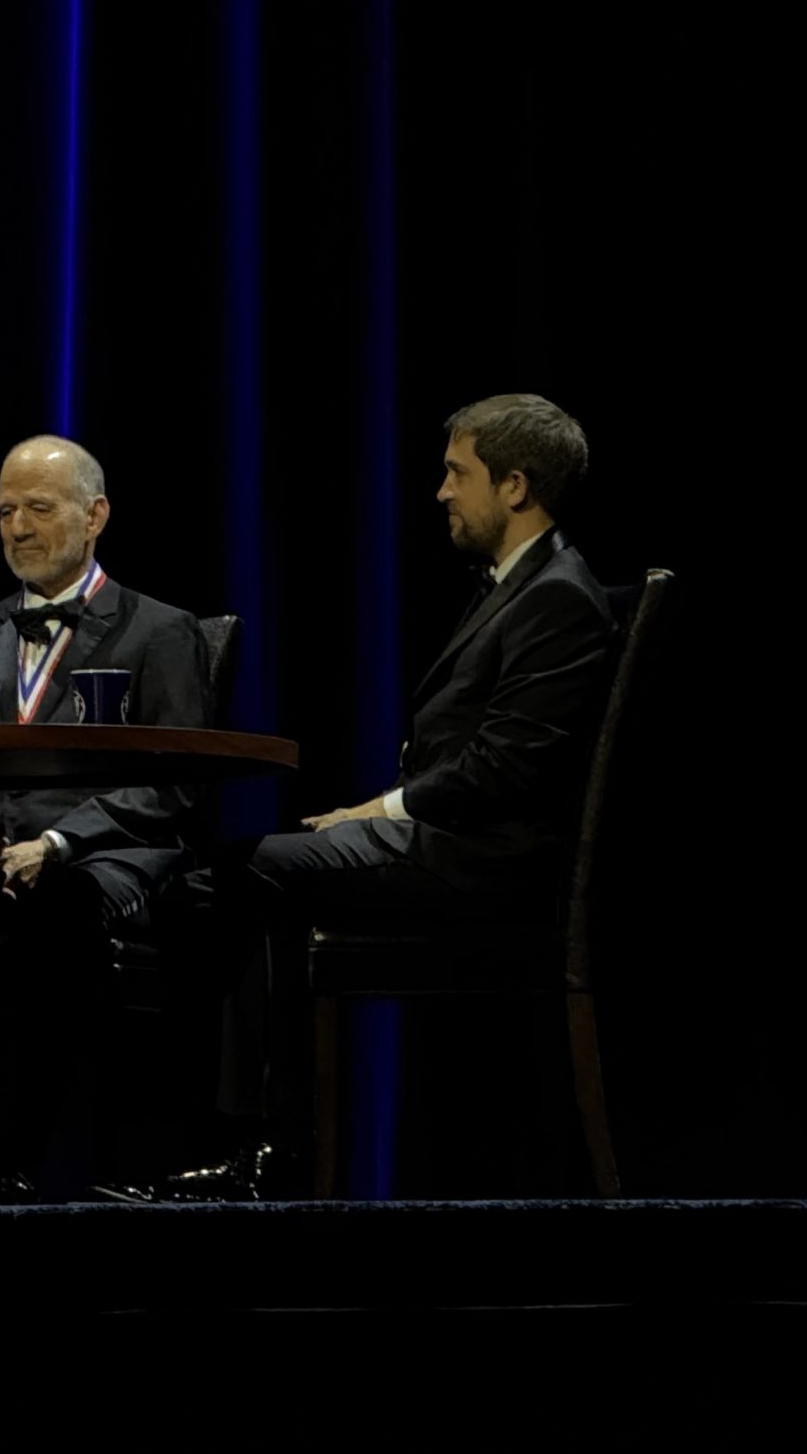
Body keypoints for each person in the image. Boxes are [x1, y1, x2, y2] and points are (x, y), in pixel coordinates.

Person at [167, 392, 614, 1198]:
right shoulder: (517, 584)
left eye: (457, 473)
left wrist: (383, 809)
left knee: (244, 871)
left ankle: (260, 1150)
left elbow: (503, 770)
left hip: (481, 864)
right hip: (450, 842)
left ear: (515, 486)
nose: (442, 492)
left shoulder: (558, 598)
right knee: (233, 873)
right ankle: (269, 1141)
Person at [0, 434, 213, 1195]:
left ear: (96, 515)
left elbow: (175, 786)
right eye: (5, 510)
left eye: (39, 508)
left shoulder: (162, 632)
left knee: (57, 910)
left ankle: (31, 1159)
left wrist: (54, 841)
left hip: (112, 853)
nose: (17, 527)